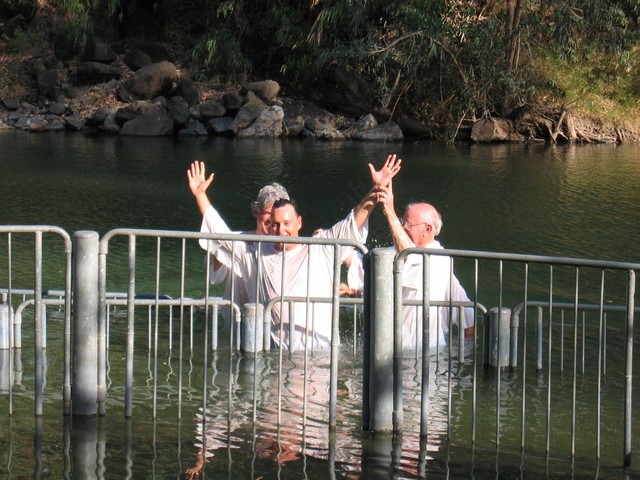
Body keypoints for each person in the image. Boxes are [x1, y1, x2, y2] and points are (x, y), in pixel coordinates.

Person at [187, 155, 401, 350]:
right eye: (275, 224)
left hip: (318, 352)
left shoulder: (321, 247)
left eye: (287, 223)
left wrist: (376, 189)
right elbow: (219, 232)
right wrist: (200, 195)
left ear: (299, 222)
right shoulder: (255, 253)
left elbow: (354, 219)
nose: (281, 230)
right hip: (275, 354)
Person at [377, 181, 474, 350]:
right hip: (391, 351)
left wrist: (389, 211)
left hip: (425, 355)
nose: (402, 229)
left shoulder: (438, 259)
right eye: (402, 222)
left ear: (427, 229)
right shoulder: (397, 251)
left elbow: (468, 321)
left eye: (407, 225)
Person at [200, 182, 290, 327]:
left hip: (273, 322)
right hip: (237, 319)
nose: (272, 219)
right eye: (268, 213)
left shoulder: (288, 245)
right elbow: (214, 275)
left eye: (277, 215)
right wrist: (227, 248)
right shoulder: (239, 240)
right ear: (257, 212)